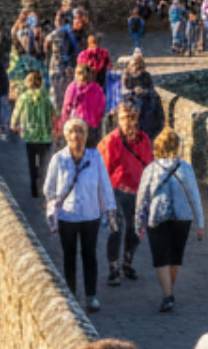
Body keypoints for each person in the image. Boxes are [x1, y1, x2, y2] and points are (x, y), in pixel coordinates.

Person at [43, 118, 111, 311]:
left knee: (90, 255)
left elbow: (104, 185)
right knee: (69, 256)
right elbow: (49, 188)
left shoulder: (95, 157)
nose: (77, 136)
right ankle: (71, 294)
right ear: (66, 136)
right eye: (73, 132)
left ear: (86, 135)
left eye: (81, 131)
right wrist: (55, 204)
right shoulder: (59, 159)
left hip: (90, 215)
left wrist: (107, 210)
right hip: (68, 216)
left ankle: (91, 296)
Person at [136, 127, 207, 313]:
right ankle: (169, 292)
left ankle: (167, 295)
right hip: (182, 218)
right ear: (177, 146)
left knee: (161, 259)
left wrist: (139, 224)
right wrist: (200, 223)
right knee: (175, 258)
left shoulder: (150, 169)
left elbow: (142, 198)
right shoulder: (186, 168)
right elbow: (194, 196)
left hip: (157, 217)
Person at [100, 103, 153, 287]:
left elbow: (149, 164)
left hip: (137, 190)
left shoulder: (143, 139)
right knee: (115, 229)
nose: (127, 122)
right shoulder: (112, 140)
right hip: (116, 190)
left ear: (136, 119)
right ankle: (113, 269)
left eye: (130, 118)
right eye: (123, 118)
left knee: (135, 230)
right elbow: (105, 169)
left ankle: (127, 263)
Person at [13, 70, 57, 199]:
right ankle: (43, 186)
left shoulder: (23, 97)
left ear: (28, 83)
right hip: (45, 135)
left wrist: (13, 125)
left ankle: (34, 189)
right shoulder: (45, 97)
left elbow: (16, 112)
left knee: (32, 163)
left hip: (30, 135)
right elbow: (53, 113)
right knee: (44, 162)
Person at [120, 52, 163, 139]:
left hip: (144, 102)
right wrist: (135, 92)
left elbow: (151, 89)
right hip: (135, 102)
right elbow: (124, 91)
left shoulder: (145, 75)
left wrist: (143, 91)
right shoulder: (127, 75)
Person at [63, 63, 106, 136]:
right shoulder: (97, 89)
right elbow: (101, 108)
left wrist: (64, 122)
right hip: (93, 125)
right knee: (91, 146)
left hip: (76, 123)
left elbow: (66, 106)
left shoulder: (73, 87)